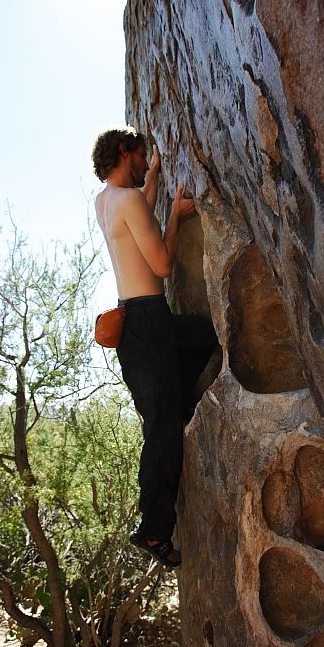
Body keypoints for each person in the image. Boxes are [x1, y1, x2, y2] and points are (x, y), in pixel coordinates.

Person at [91, 128, 218, 568]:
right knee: (162, 433)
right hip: (149, 320)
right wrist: (178, 217)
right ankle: (153, 532)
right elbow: (161, 265)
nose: (147, 161)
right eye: (143, 156)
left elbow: (135, 210)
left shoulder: (105, 201)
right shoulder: (127, 202)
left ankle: (180, 400)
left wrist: (156, 176)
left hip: (137, 322)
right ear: (126, 152)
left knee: (202, 336)